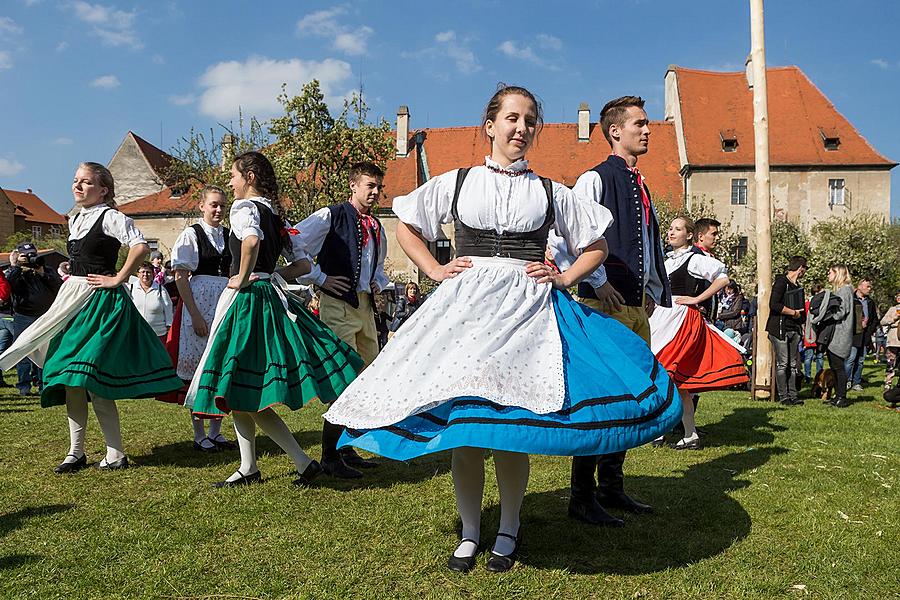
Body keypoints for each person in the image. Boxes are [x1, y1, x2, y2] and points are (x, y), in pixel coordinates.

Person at [324, 85, 680, 572]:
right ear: (490, 125)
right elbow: (406, 223)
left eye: (530, 120)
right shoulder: (457, 181)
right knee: (467, 430)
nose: (521, 127)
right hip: (466, 314)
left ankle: (509, 528)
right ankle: (470, 533)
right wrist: (433, 268)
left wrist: (564, 277)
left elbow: (596, 244)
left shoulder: (551, 190)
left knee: (513, 427)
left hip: (528, 315)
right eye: (512, 118)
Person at [185, 151, 364, 488]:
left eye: (234, 176)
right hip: (267, 295)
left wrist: (243, 275)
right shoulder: (274, 215)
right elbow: (303, 264)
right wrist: (271, 273)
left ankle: (297, 462)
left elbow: (250, 240)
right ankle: (250, 466)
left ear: (249, 176)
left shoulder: (244, 209)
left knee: (238, 388)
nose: (231, 182)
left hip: (247, 301)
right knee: (239, 392)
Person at [0, 162, 182, 472]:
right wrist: (74, 269)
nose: (78, 186)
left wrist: (117, 278)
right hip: (75, 298)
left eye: (86, 182)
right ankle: (76, 452)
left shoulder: (111, 217)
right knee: (70, 377)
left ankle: (115, 453)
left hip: (101, 301)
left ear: (103, 190)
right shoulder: (76, 219)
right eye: (76, 181)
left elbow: (138, 247)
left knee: (91, 378)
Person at [549, 95, 672, 528]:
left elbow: (648, 243)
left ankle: (611, 487)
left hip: (636, 307)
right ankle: (582, 496)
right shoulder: (594, 179)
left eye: (647, 123)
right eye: (639, 123)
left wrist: (653, 288)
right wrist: (599, 283)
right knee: (600, 400)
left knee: (631, 396)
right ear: (615, 131)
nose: (647, 129)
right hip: (604, 307)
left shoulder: (641, 183)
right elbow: (564, 238)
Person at [293, 162, 389, 479]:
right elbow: (293, 239)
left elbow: (378, 265)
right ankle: (330, 456)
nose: (375, 192)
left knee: (364, 376)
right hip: (337, 304)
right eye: (369, 185)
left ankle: (346, 448)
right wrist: (319, 277)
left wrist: (378, 281)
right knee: (342, 374)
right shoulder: (331, 215)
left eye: (378, 186)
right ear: (353, 185)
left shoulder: (377, 226)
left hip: (364, 306)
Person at [648, 217, 748, 448]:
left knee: (669, 375)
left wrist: (697, 299)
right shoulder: (666, 259)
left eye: (678, 229)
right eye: (671, 228)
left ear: (690, 235)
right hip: (662, 317)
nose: (672, 232)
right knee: (670, 379)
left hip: (680, 319)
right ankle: (685, 433)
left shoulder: (694, 259)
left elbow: (722, 278)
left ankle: (673, 432)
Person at [160, 185, 234, 452]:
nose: (218, 210)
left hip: (224, 299)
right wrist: (194, 315)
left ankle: (216, 431)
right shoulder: (191, 235)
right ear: (202, 205)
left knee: (220, 361)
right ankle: (199, 432)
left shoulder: (229, 235)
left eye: (222, 206)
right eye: (213, 204)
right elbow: (180, 276)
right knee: (198, 368)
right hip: (199, 301)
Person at [6, 243, 64, 395]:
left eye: (32, 254)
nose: (30, 258)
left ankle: (43, 384)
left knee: (44, 352)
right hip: (23, 317)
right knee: (22, 351)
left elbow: (58, 286)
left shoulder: (46, 270)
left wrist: (41, 272)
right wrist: (16, 265)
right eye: (26, 255)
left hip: (45, 316)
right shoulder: (16, 272)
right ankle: (24, 386)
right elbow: (10, 284)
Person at [810, 264, 855, 408]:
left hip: (840, 335)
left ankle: (841, 396)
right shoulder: (842, 290)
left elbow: (842, 312)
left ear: (838, 273)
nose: (828, 275)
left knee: (838, 367)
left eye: (830, 272)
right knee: (835, 367)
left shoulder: (845, 290)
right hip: (836, 334)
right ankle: (837, 395)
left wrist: (826, 315)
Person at [766, 256, 808, 406]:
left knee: (793, 364)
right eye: (805, 268)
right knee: (783, 364)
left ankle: (793, 394)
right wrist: (793, 312)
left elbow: (802, 310)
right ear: (800, 268)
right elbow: (774, 304)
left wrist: (801, 321)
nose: (804, 272)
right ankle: (784, 396)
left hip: (793, 329)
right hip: (780, 329)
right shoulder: (781, 283)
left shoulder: (797, 288)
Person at [128, 262, 173, 342]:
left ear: (153, 274)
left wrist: (169, 326)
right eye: (143, 272)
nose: (145, 274)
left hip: (157, 334)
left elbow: (168, 308)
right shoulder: (130, 288)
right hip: (136, 333)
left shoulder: (161, 289)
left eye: (148, 272)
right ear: (138, 274)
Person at [847, 278, 878, 391]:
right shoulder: (851, 299)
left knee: (860, 360)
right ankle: (846, 381)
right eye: (867, 286)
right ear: (859, 286)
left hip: (865, 335)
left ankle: (856, 382)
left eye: (870, 287)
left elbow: (874, 319)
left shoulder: (870, 302)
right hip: (853, 335)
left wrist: (869, 331)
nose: (869, 289)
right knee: (850, 359)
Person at [803, 283, 826, 384]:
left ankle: (818, 376)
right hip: (811, 333)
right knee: (810, 356)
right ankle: (808, 376)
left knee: (818, 356)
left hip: (819, 333)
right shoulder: (808, 304)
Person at [880, 291, 900, 389]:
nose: (899, 298)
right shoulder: (893, 309)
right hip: (893, 340)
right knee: (891, 362)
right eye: (897, 296)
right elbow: (883, 321)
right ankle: (888, 383)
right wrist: (894, 318)